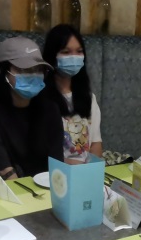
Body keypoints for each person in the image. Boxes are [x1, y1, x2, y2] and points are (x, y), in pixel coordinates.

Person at [0, 36, 63, 178]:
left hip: (47, 186)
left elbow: (57, 165)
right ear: (4, 72)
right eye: (24, 70)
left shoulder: (50, 109)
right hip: (9, 187)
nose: (33, 75)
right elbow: (5, 171)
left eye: (38, 69)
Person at [42, 24, 103, 162]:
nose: (74, 57)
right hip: (55, 171)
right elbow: (41, 153)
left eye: (79, 51)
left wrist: (91, 169)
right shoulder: (40, 98)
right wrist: (72, 167)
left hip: (86, 171)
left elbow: (96, 144)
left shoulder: (89, 98)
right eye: (66, 52)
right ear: (52, 56)